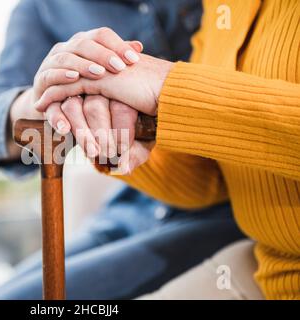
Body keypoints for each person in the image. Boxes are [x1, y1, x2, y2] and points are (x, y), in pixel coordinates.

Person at [0, 0, 245, 300]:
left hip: (231, 205)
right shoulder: (44, 7)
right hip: (129, 209)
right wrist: (48, 97)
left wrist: (147, 93)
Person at [34, 0, 300, 299]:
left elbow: (174, 94)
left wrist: (167, 88)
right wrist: (110, 132)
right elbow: (210, 176)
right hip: (271, 273)